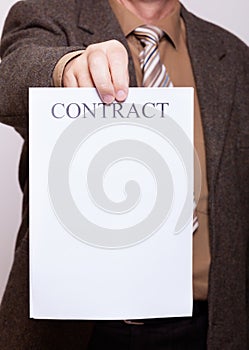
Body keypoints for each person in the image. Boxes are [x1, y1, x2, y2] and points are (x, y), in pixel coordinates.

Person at [0, 0, 248, 349]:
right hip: (79, 329)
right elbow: (8, 80)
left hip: (207, 327)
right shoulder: (49, 14)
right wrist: (64, 68)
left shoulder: (233, 54)